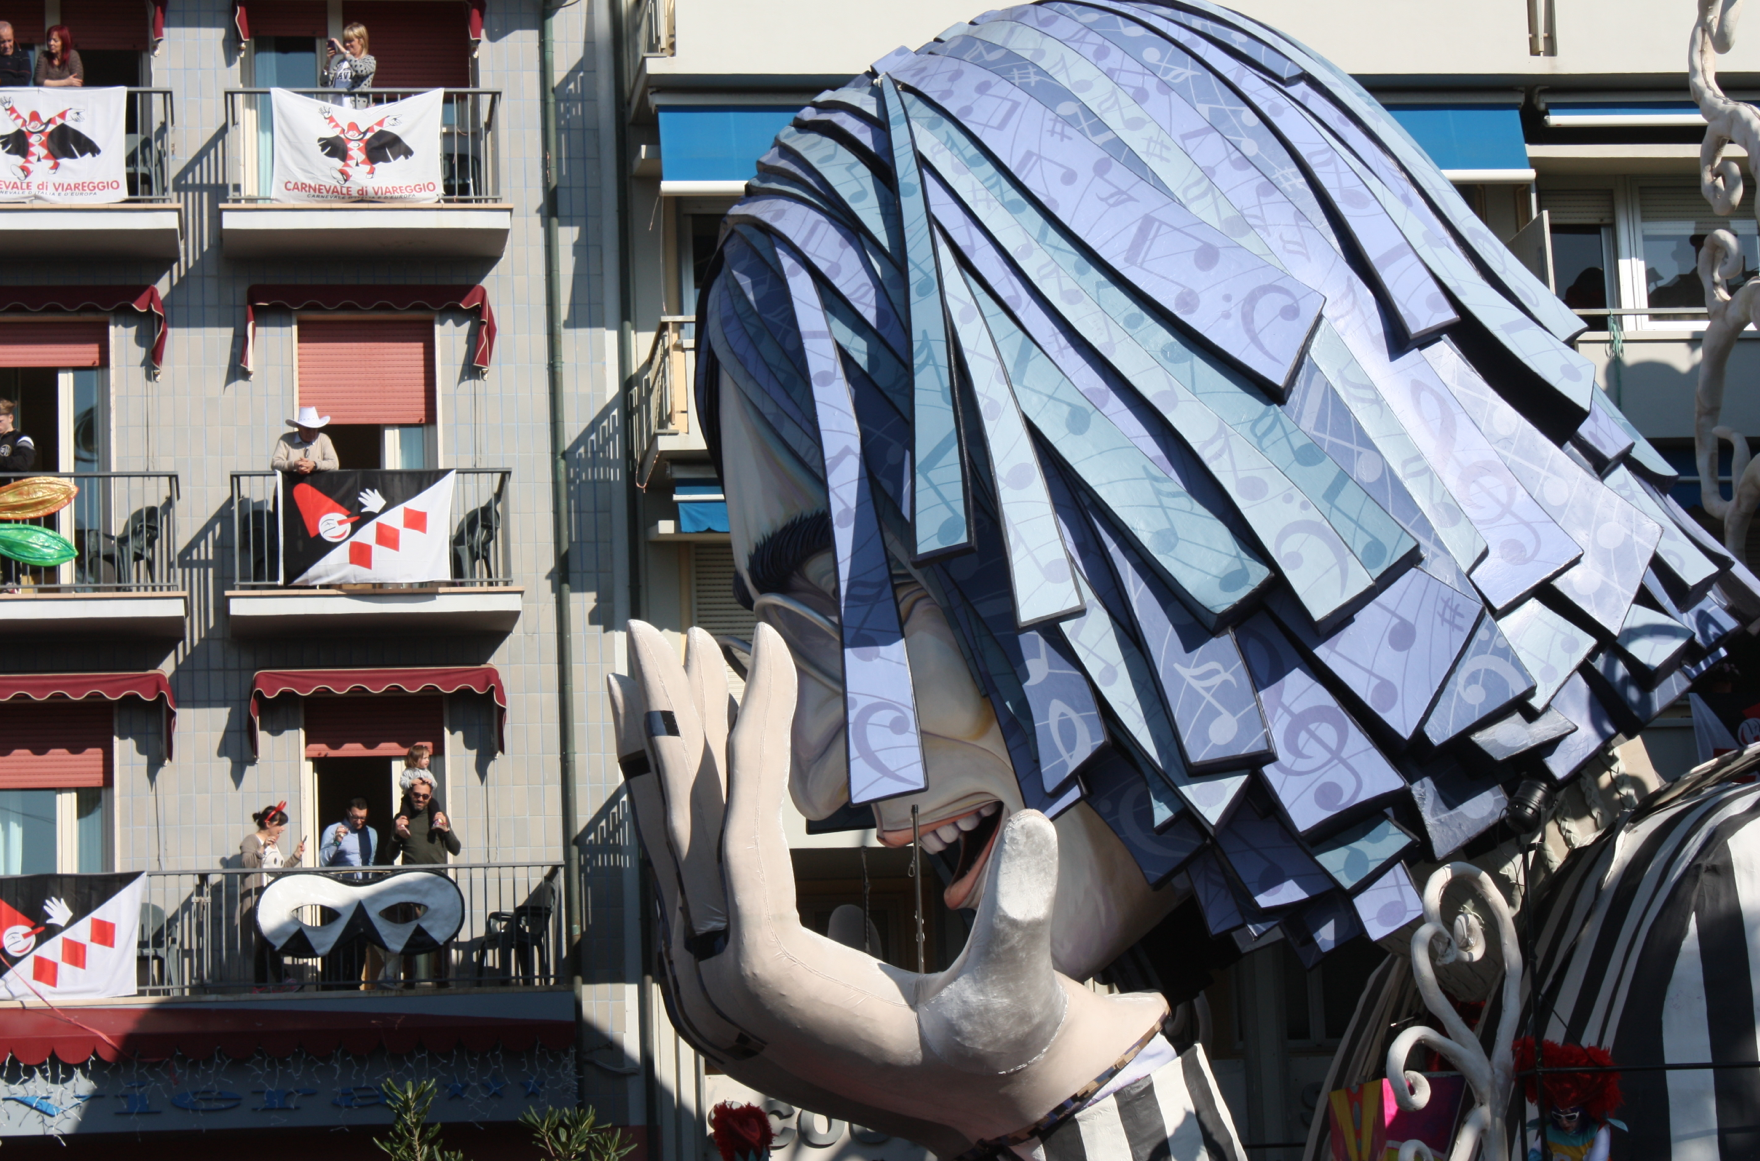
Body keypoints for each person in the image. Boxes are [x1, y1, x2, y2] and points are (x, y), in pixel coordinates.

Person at [239, 802, 305, 987]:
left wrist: (296, 856)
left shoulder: (273, 844)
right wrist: (261, 850)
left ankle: (267, 984)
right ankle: (281, 980)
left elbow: (278, 871)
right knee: (265, 941)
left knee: (268, 941)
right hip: (257, 899)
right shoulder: (252, 840)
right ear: (268, 824)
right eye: (279, 824)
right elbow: (246, 864)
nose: (281, 829)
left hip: (272, 899)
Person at [317, 797, 376, 988]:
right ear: (348, 813)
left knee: (361, 940)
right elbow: (322, 861)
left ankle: (354, 982)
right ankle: (336, 983)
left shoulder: (371, 833)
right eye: (355, 817)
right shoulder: (333, 829)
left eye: (363, 818)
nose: (359, 821)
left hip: (362, 894)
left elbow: (370, 863)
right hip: (339, 894)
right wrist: (336, 841)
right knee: (340, 939)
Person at [271, 405, 338, 474]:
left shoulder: (323, 439)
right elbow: (275, 464)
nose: (312, 432)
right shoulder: (286, 439)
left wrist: (314, 465)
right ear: (299, 427)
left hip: (315, 484)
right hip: (291, 483)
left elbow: (334, 464)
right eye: (308, 429)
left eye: (315, 428)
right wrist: (294, 464)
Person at [324, 22, 374, 107]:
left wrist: (344, 52)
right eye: (345, 41)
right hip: (337, 106)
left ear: (361, 40)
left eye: (350, 41)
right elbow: (324, 82)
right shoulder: (341, 62)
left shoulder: (369, 60)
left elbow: (360, 71)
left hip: (354, 108)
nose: (347, 44)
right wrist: (328, 61)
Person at [0, 401, 36, 473]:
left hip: (11, 483)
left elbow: (24, 463)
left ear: (10, 418)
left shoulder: (22, 439)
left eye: (0, 421)